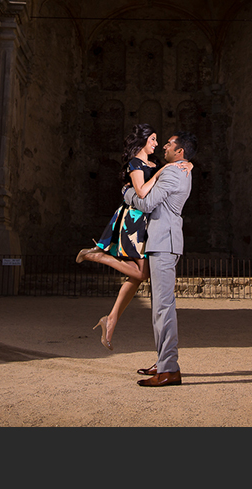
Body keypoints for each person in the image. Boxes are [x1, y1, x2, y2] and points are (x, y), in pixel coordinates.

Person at [75, 124, 192, 350]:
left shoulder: (155, 163)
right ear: (144, 141)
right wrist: (159, 173)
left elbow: (176, 165)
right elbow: (140, 193)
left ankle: (111, 319)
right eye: (154, 140)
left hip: (148, 221)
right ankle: (99, 257)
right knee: (142, 272)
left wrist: (188, 162)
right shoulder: (135, 164)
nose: (157, 144)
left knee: (138, 276)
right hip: (135, 219)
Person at [124, 131, 196, 387]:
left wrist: (126, 193)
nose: (163, 146)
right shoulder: (180, 169)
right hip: (164, 241)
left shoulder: (173, 172)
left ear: (180, 152)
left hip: (164, 242)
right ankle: (163, 360)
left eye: (169, 144)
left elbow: (146, 203)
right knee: (159, 307)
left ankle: (169, 369)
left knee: (163, 307)